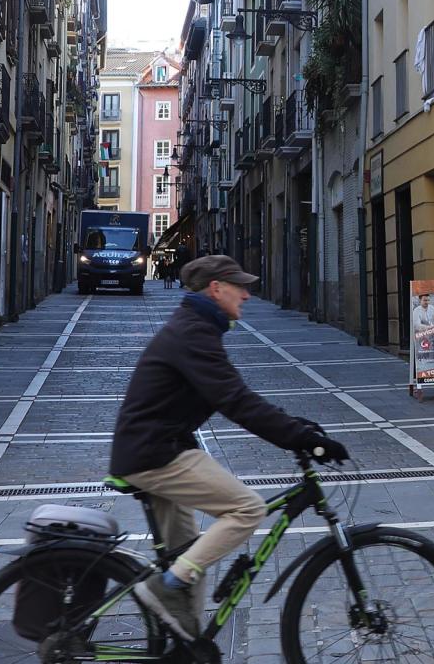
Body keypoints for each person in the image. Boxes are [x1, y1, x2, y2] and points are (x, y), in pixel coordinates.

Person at [109, 254, 349, 642]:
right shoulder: (193, 333)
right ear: (216, 289)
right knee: (247, 508)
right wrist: (302, 438)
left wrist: (295, 424)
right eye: (240, 286)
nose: (248, 295)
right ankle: (162, 587)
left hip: (153, 448)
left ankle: (185, 640)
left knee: (190, 553)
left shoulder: (197, 327)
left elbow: (235, 393)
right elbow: (236, 401)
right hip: (156, 455)